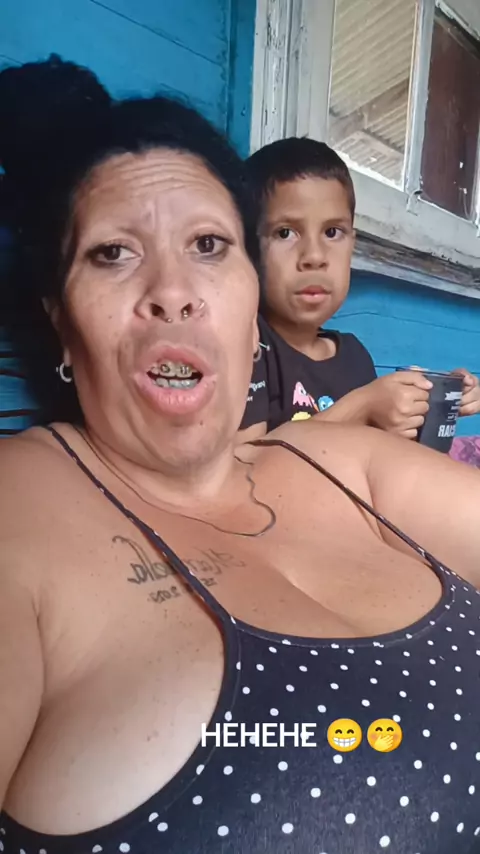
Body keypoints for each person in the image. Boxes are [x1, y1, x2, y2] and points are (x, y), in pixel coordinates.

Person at [1, 56, 480, 854]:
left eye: (208, 244)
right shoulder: (19, 505)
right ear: (60, 320)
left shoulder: (347, 464)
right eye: (113, 253)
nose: (173, 290)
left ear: (250, 299)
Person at [239, 137, 480, 441]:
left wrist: (427, 406)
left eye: (332, 232)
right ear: (248, 248)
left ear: (351, 243)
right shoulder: (250, 349)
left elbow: (373, 451)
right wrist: (364, 405)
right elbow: (245, 460)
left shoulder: (355, 357)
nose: (314, 256)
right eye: (285, 233)